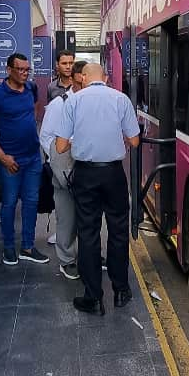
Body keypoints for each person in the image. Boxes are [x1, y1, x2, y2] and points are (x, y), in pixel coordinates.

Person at [55, 63, 140, 315]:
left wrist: (79, 139)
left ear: (83, 77)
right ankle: (121, 290)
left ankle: (93, 297)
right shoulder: (120, 99)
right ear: (105, 77)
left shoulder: (73, 101)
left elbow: (60, 147)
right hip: (114, 173)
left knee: (88, 233)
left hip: (86, 174)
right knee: (118, 231)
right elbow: (134, 140)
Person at [0, 53, 49, 265]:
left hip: (32, 158)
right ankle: (9, 247)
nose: (24, 73)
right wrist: (2, 156)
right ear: (8, 70)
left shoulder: (30, 88)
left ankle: (27, 247)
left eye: (26, 70)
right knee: (9, 203)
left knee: (31, 202)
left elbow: (34, 109)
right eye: (20, 69)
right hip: (9, 160)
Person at [40, 59, 86, 280]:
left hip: (87, 165)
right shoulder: (60, 104)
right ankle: (67, 260)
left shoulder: (93, 104)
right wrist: (57, 161)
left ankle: (88, 255)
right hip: (65, 164)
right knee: (67, 215)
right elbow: (46, 136)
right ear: (76, 81)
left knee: (88, 214)